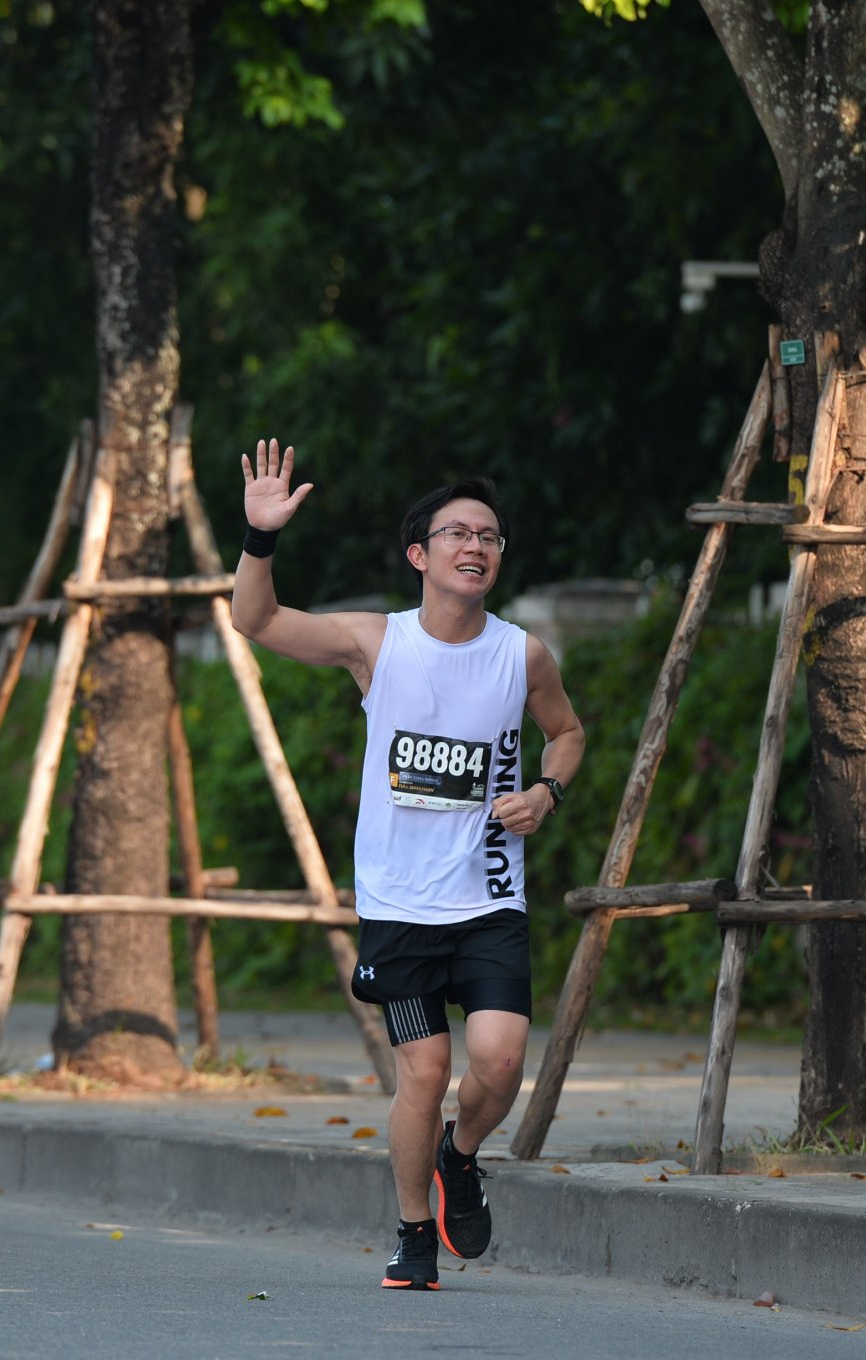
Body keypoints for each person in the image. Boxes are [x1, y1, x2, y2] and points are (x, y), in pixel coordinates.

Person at [232, 439, 585, 1292]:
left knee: (499, 1063)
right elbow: (256, 621)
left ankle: (460, 1155)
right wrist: (261, 536)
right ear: (419, 555)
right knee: (423, 1073)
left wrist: (546, 792)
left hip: (490, 893)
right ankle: (413, 1231)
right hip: (399, 903)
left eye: (490, 536)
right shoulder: (375, 642)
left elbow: (567, 733)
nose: (476, 546)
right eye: (458, 532)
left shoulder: (522, 655)